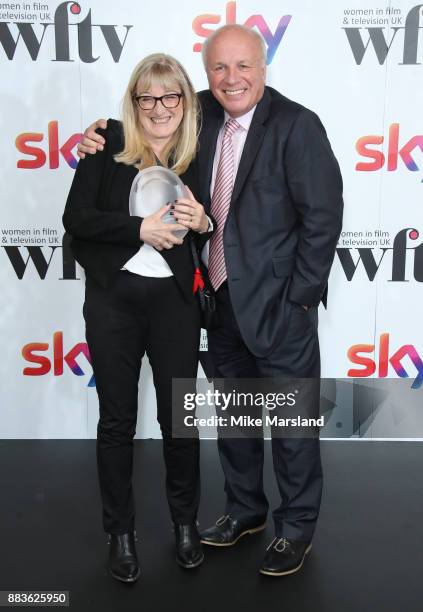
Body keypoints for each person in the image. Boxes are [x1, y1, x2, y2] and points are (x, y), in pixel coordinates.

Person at [77, 24, 344, 577]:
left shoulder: (297, 126)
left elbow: (323, 220)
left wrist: (299, 300)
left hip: (279, 307)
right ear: (207, 75)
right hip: (217, 303)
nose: (231, 78)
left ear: (263, 67)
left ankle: (295, 529)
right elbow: (148, 110)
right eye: (219, 68)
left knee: (292, 426)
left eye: (242, 66)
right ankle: (245, 510)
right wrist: (98, 133)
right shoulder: (198, 112)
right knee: (237, 421)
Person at [63, 53, 214, 582]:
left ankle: (185, 525)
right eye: (147, 97)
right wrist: (137, 230)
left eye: (170, 96)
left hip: (174, 304)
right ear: (134, 100)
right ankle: (120, 534)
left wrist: (204, 221)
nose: (159, 108)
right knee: (116, 422)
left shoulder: (199, 149)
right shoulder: (104, 145)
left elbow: (213, 219)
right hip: (114, 301)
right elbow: (76, 219)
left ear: (184, 101)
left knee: (179, 423)